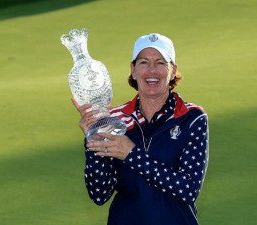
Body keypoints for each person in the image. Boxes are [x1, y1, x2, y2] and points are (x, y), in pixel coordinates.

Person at [72, 33, 209, 225]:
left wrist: (131, 154)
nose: (152, 70)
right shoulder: (114, 119)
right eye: (144, 62)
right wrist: (92, 140)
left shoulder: (191, 117)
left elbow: (187, 189)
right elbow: (99, 193)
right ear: (133, 70)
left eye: (161, 63)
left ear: (172, 70)